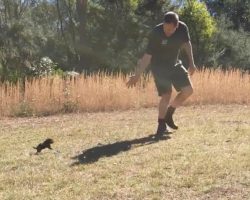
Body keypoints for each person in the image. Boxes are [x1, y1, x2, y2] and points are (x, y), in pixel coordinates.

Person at [126, 11, 197, 137]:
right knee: (166, 94)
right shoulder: (156, 33)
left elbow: (187, 44)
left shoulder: (183, 28)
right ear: (163, 24)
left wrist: (192, 63)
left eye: (171, 30)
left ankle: (169, 113)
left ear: (177, 26)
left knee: (188, 90)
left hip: (175, 64)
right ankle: (161, 125)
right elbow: (147, 56)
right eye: (166, 28)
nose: (168, 32)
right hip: (159, 67)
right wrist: (137, 75)